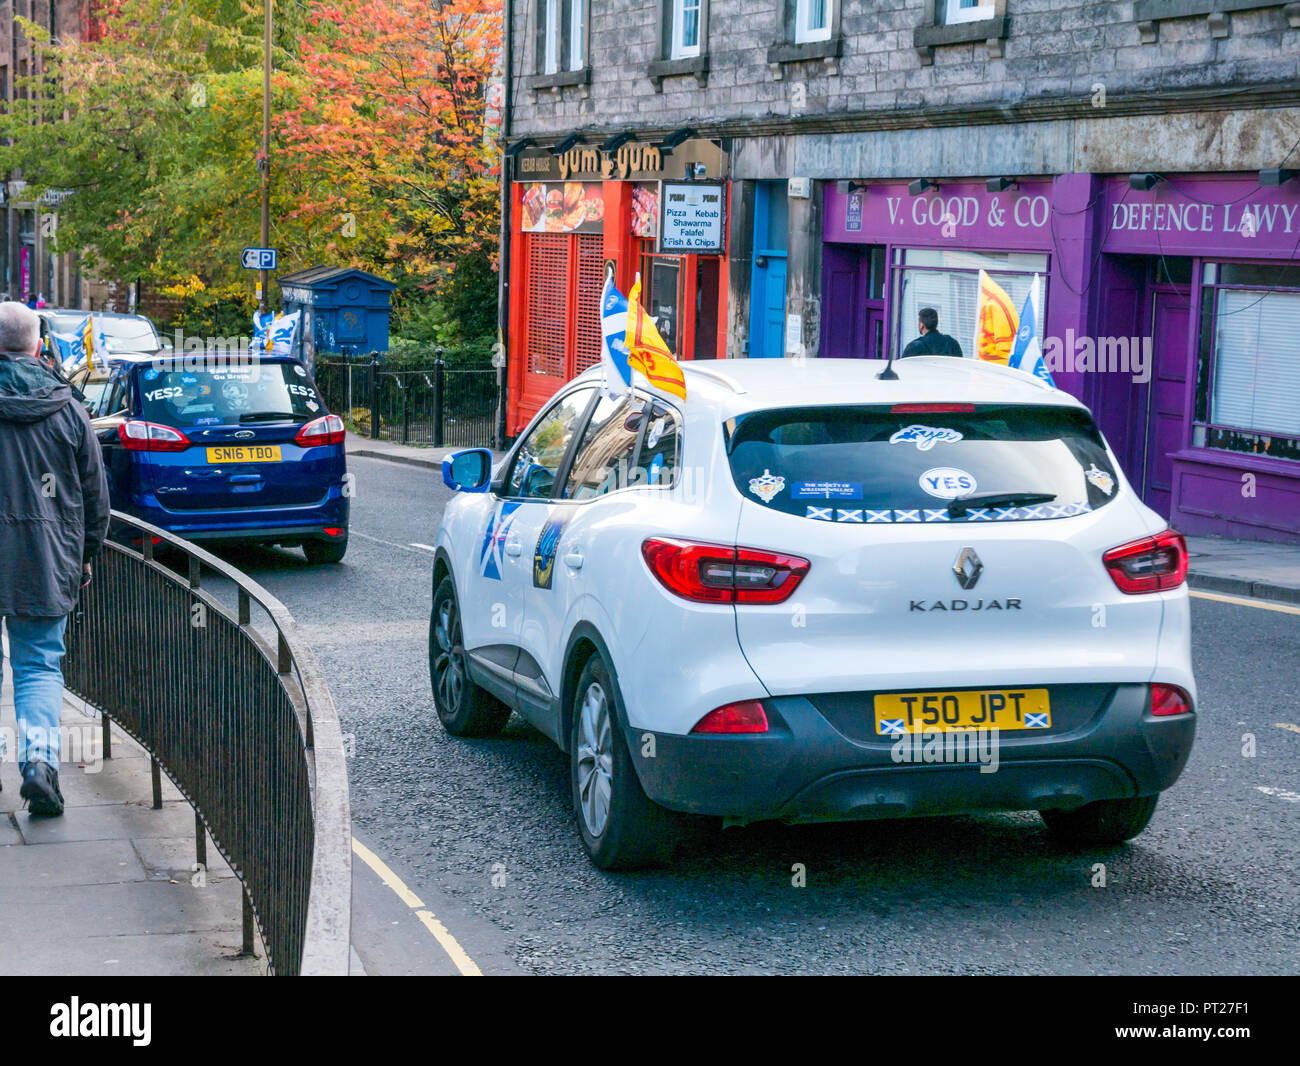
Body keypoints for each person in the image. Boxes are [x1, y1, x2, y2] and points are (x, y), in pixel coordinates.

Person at [0, 301, 110, 816]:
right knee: (39, 664)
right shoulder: (67, 409)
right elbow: (95, 494)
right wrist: (85, 555)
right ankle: (40, 765)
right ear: (38, 344)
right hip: (43, 557)